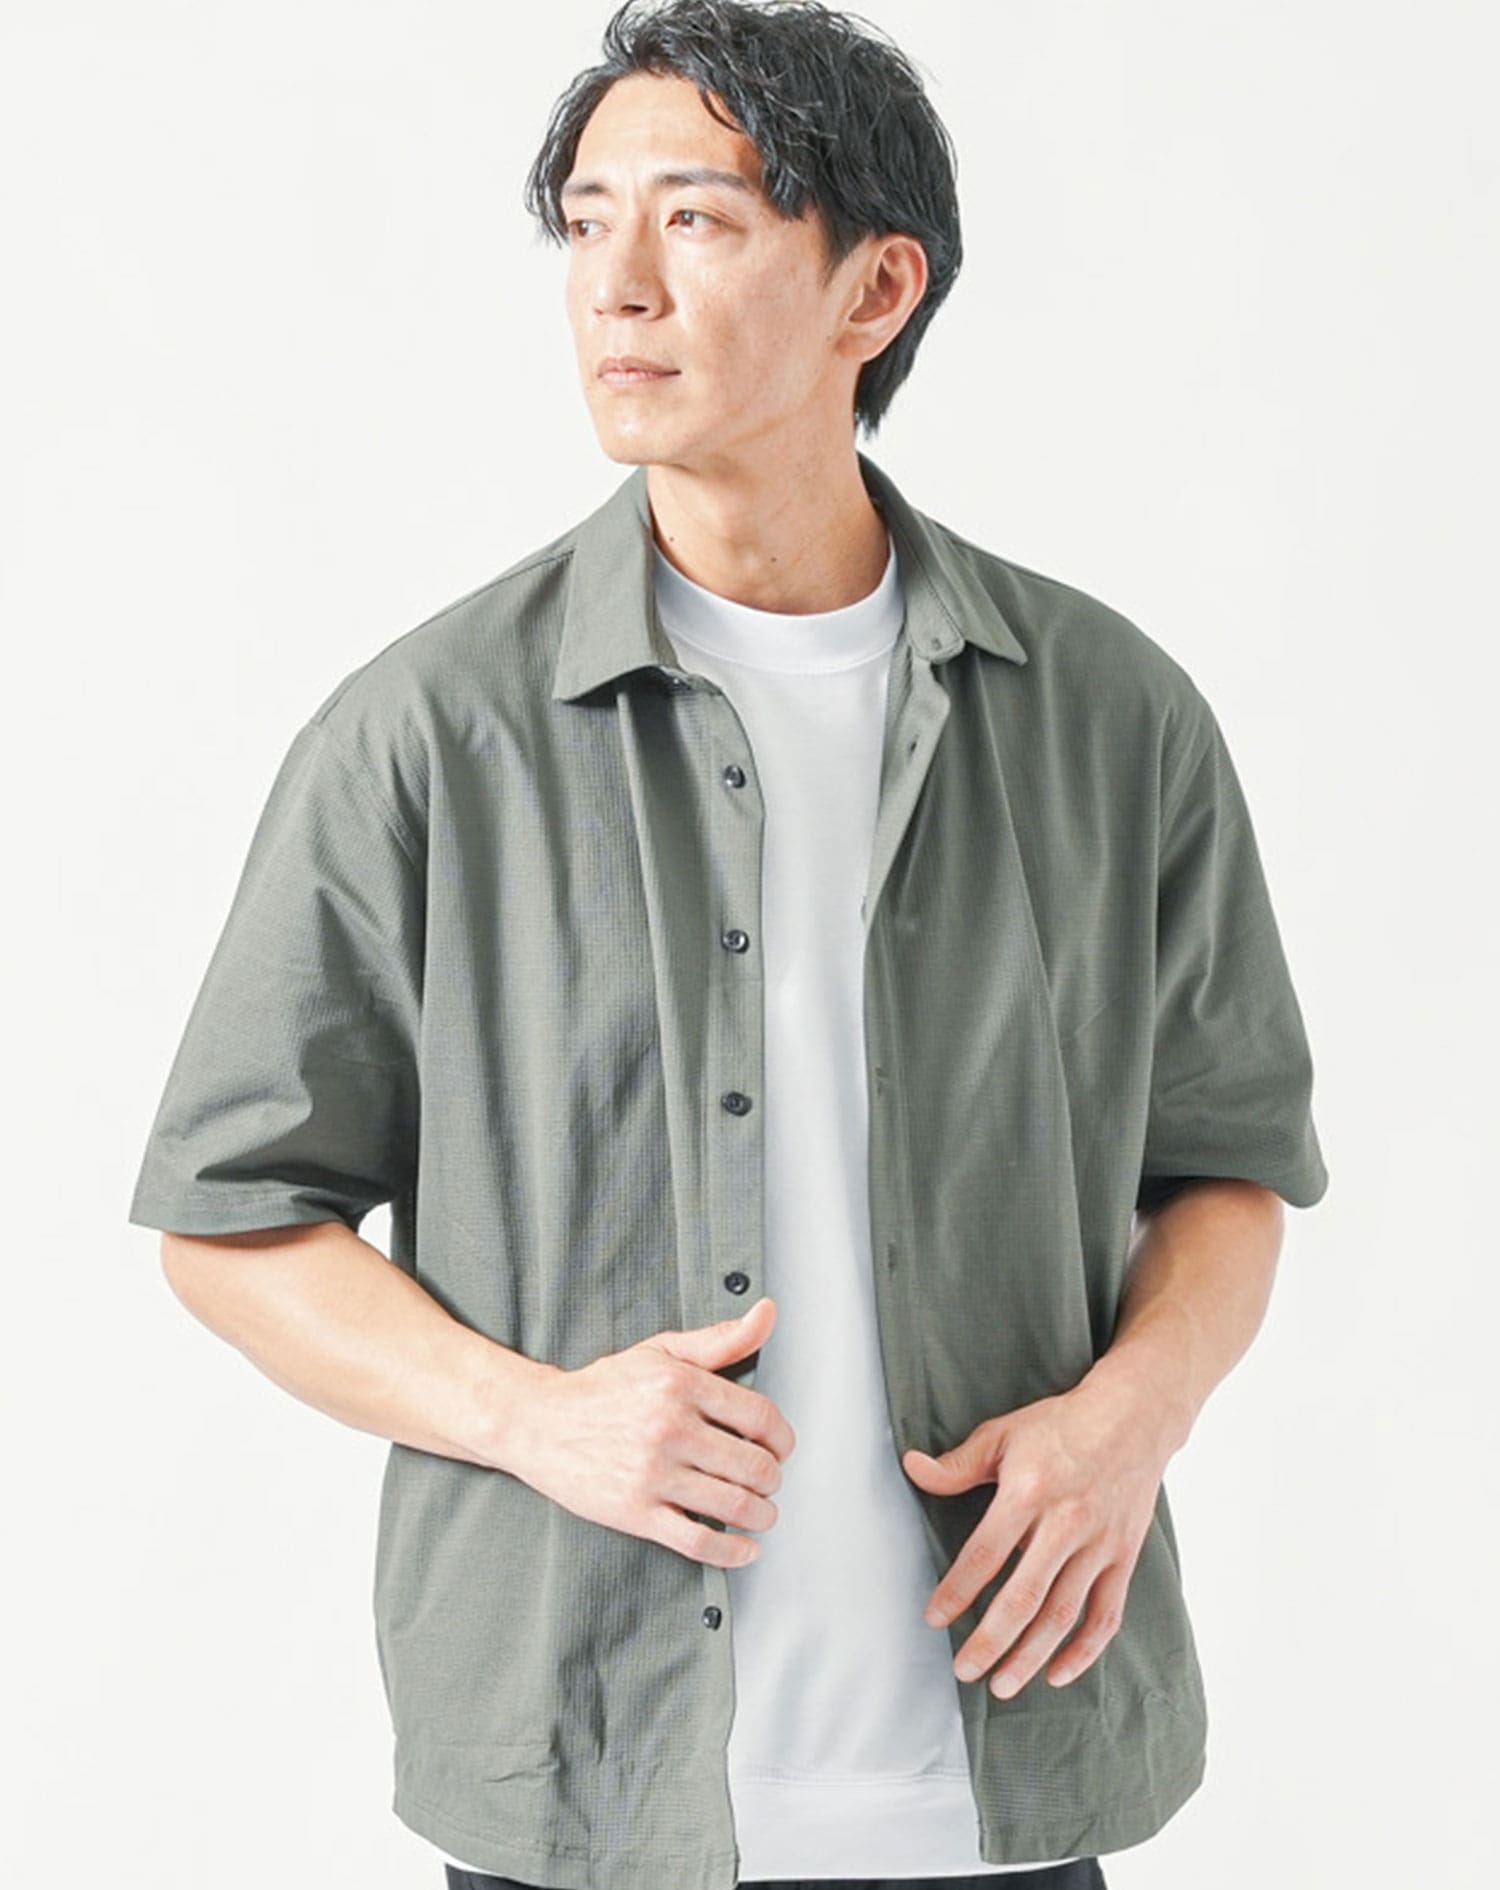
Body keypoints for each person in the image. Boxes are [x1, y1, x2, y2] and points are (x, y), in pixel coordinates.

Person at [127, 3, 1329, 1888]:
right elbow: (228, 1218)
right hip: (590, 1782)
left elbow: (1228, 1165)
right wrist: (537, 1419)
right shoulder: (432, 735)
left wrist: (1135, 1412)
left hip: (1003, 1772)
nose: (617, 283)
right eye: (586, 222)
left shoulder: (1111, 719)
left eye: (695, 218)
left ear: (876, 287)